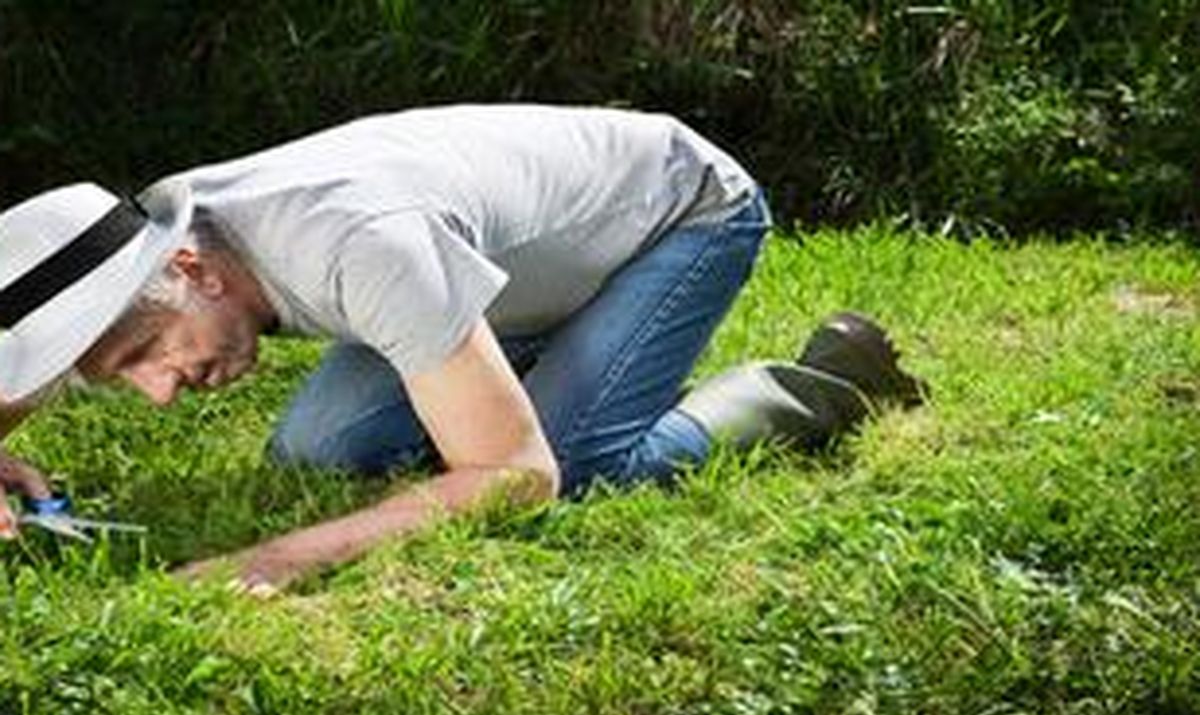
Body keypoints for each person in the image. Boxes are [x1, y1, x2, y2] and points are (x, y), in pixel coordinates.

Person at [0, 104, 924, 592]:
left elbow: (514, 476)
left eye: (148, 355)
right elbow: (67, 331)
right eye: (125, 374)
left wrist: (275, 558)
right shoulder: (149, 255)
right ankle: (528, 359)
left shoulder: (361, 246)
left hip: (676, 215)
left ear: (193, 269)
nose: (161, 391)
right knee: (315, 451)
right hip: (495, 268)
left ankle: (828, 381)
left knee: (575, 462)